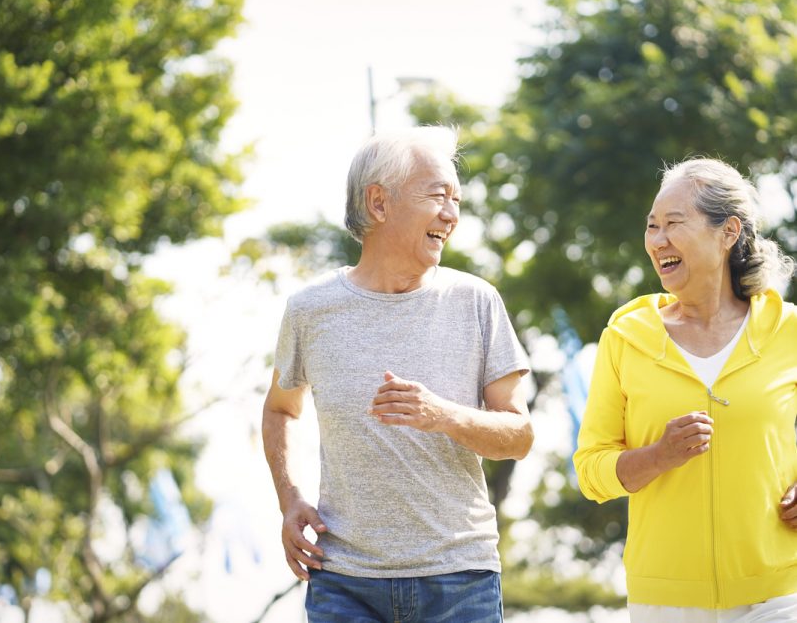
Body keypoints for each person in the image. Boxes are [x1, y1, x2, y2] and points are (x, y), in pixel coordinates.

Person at [261, 126, 534, 622]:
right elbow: (281, 410)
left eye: (457, 199)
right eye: (438, 196)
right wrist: (290, 498)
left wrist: (443, 415)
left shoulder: (476, 301)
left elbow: (518, 435)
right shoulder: (310, 310)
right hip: (343, 583)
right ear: (379, 203)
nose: (452, 214)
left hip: (460, 581)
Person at [574, 157, 797, 622]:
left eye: (674, 224)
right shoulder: (625, 336)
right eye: (652, 226)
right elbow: (591, 469)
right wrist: (658, 456)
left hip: (779, 593)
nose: (657, 241)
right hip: (665, 602)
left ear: (728, 232)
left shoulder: (788, 330)